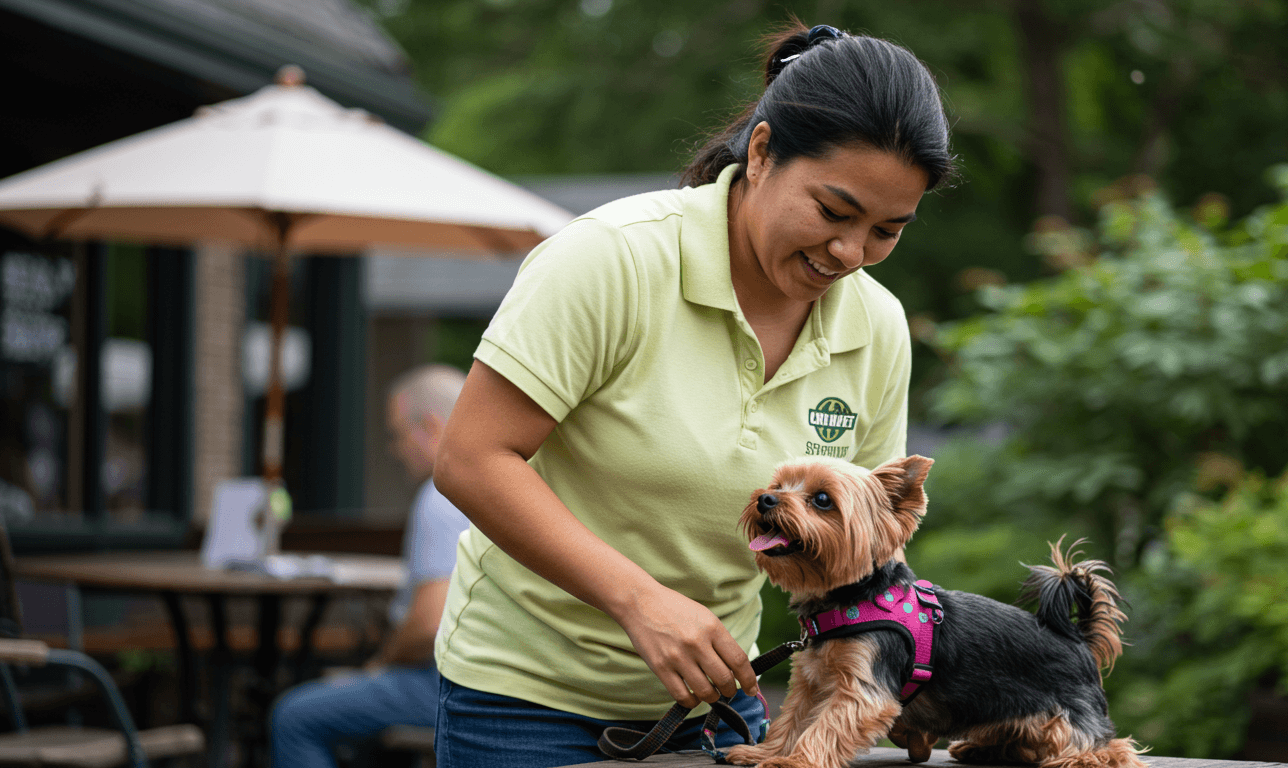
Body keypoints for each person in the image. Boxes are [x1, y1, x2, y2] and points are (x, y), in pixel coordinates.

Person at [432, 21, 955, 768]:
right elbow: (470, 458)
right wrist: (638, 600)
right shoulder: (610, 261)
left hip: (720, 703)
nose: (850, 253)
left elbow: (864, 553)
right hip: (524, 705)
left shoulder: (876, 326)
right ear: (765, 151)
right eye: (835, 213)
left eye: (886, 230)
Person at [270, 364, 472, 768]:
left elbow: (430, 625)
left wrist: (380, 664)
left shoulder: (439, 495)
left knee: (294, 716)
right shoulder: (488, 484)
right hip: (486, 677)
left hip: (446, 683)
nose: (394, 450)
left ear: (430, 427)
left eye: (398, 435)